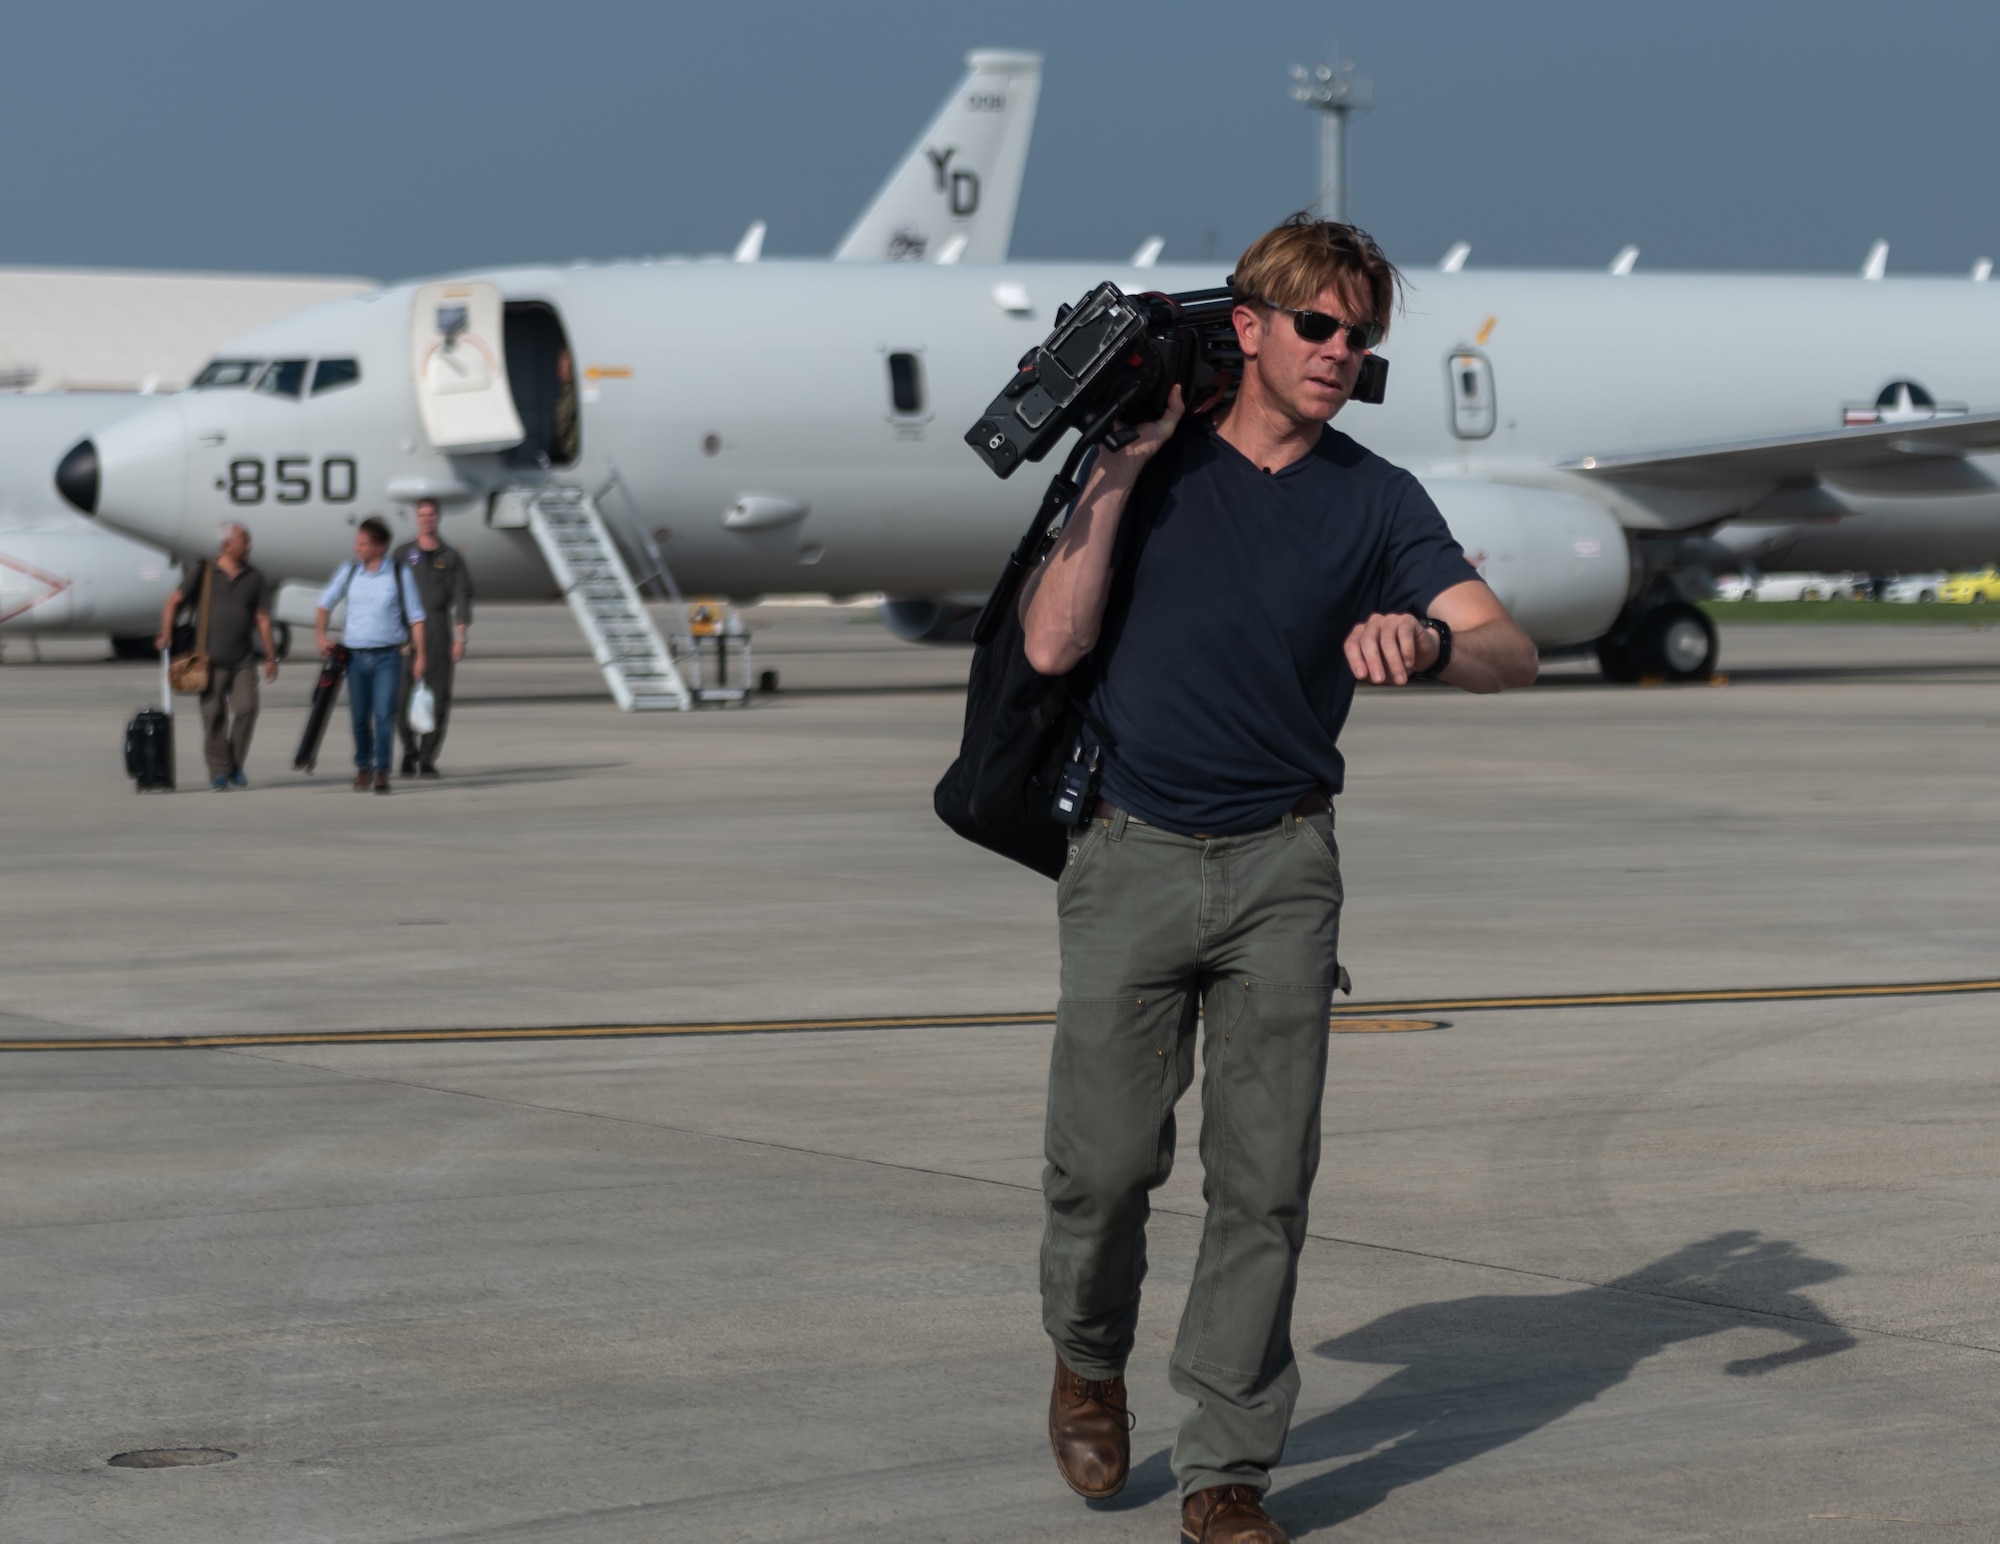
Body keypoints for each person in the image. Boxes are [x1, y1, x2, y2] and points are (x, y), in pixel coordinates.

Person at [1017, 214, 1538, 1544]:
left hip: (1283, 868)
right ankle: (1088, 1358)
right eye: (1317, 325)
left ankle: (1227, 1468)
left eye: (1359, 335)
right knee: (1104, 1165)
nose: (1339, 352)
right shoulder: (1156, 469)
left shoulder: (1374, 499)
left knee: (1265, 1182)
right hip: (1129, 853)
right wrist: (1122, 468)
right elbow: (1053, 640)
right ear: (1246, 327)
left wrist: (1426, 639)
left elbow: (1510, 652)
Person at [153, 522, 277, 791]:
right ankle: (219, 772)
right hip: (208, 661)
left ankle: (234, 763)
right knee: (213, 716)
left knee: (246, 709)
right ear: (228, 546)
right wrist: (166, 633)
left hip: (244, 660)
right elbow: (174, 601)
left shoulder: (254, 577)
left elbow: (263, 618)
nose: (249, 546)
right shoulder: (204, 571)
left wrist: (271, 656)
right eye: (245, 541)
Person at [315, 516, 426, 794]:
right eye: (357, 542)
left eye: (363, 543)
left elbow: (416, 617)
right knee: (359, 718)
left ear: (379, 547)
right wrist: (320, 635)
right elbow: (324, 602)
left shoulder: (399, 574)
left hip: (389, 657)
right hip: (355, 659)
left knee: (384, 714)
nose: (357, 548)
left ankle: (382, 771)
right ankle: (363, 765)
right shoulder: (350, 571)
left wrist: (421, 654)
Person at [393, 498, 474, 777]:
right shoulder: (403, 554)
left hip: (439, 630)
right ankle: (408, 752)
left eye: (431, 514)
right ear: (417, 518)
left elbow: (462, 596)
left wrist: (460, 637)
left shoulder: (450, 557)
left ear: (437, 517)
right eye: (422, 514)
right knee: (401, 698)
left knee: (438, 698)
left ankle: (427, 757)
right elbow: (389, 594)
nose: (427, 519)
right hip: (406, 634)